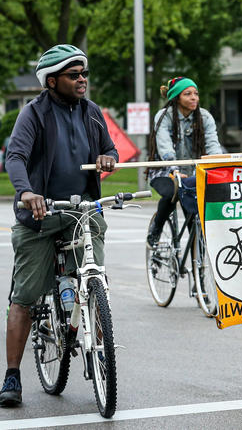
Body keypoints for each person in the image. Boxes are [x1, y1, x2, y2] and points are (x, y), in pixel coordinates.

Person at [1, 44, 118, 407]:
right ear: (52, 81)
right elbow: (16, 157)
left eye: (84, 73)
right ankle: (12, 375)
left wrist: (106, 159)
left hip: (82, 210)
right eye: (74, 75)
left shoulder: (92, 112)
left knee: (94, 278)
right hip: (40, 216)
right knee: (25, 296)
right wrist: (26, 193)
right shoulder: (33, 114)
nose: (82, 79)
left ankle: (98, 345)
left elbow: (112, 151)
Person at [146, 76, 222, 247]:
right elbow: (164, 145)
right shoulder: (163, 116)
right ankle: (156, 229)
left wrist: (219, 164)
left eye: (196, 93)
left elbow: (212, 144)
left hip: (194, 171)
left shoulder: (205, 117)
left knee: (193, 203)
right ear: (176, 97)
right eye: (188, 94)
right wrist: (173, 168)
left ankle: (196, 250)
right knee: (172, 191)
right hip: (164, 169)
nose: (194, 97)